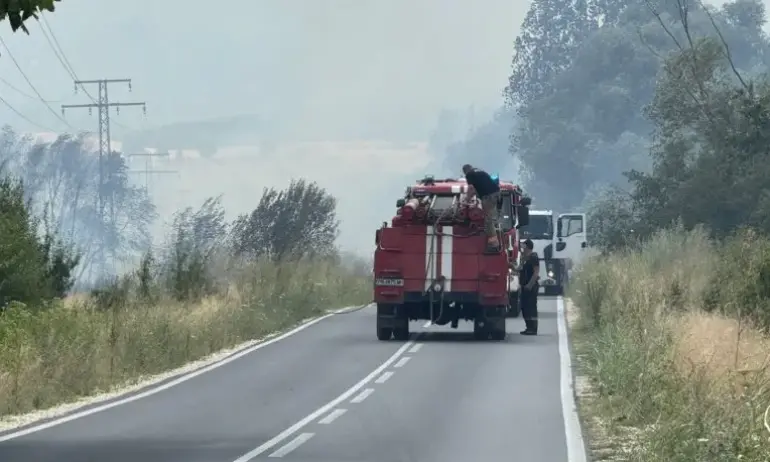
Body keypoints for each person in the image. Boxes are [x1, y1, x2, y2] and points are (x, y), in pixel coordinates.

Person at [462, 164, 501, 252]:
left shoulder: (470, 175)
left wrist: (466, 201)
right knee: (492, 217)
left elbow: (471, 189)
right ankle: (494, 236)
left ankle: (494, 244)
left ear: (465, 171)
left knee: (488, 220)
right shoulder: (480, 172)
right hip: (496, 195)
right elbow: (477, 189)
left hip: (488, 197)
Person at [519, 238, 540, 335]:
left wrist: (529, 285)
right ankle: (528, 327)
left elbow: (536, 273)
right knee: (524, 308)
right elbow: (519, 270)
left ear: (527, 246)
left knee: (531, 307)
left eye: (524, 246)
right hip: (524, 286)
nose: (522, 247)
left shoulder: (533, 257)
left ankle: (533, 328)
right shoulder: (524, 258)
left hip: (531, 286)